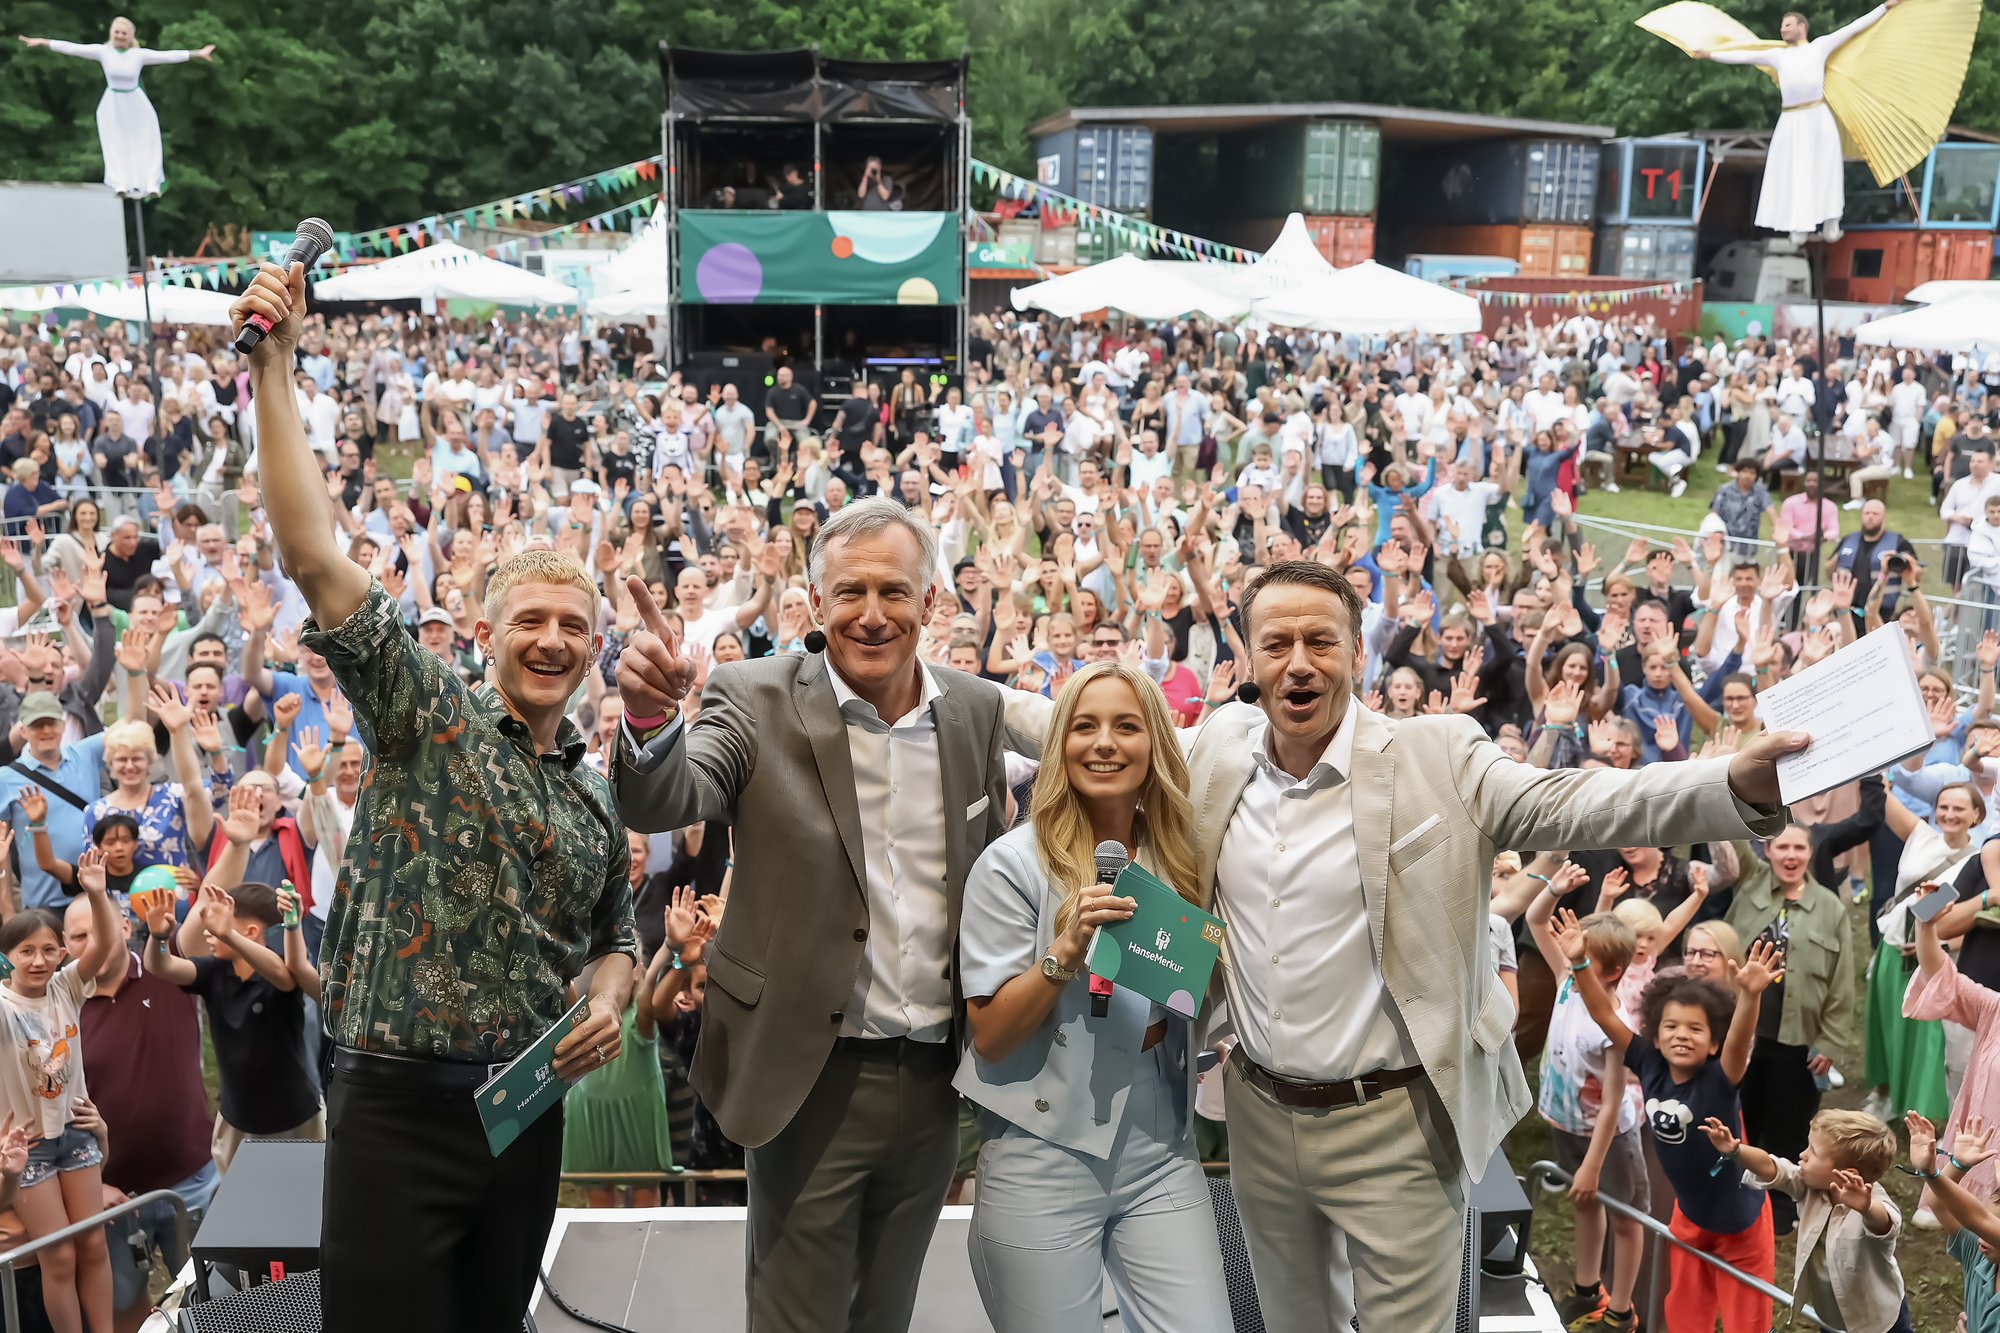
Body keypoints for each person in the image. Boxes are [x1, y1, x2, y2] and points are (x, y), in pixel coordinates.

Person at [986, 559, 1800, 1328]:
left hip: (1398, 1122)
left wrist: (1735, 784)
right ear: (1249, 658)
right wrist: (949, 690)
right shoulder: (1217, 748)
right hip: (1261, 1116)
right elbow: (1077, 724)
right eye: (1276, 644)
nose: (1298, 663)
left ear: (1357, 655)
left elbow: (1583, 802)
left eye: (1320, 642)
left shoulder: (1438, 754)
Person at [229, 259, 637, 1333]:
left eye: (573, 627)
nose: (551, 639)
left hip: (527, 1104)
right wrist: (275, 371)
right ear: (487, 628)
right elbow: (313, 555)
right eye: (530, 619)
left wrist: (603, 999)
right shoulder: (426, 711)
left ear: (595, 649)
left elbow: (617, 937)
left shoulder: (592, 798)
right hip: (396, 1100)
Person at [613, 496, 1019, 1333]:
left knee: (886, 1315)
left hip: (934, 1079)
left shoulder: (975, 712)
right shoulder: (752, 695)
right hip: (807, 1070)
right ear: (817, 597)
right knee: (798, 1319)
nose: (872, 615)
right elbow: (670, 795)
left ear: (931, 603)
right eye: (850, 592)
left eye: (895, 592)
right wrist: (651, 719)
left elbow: (992, 874)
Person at [955, 662, 1232, 1332]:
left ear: (1155, 744)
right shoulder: (1010, 865)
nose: (1104, 742)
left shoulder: (1187, 860)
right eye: (1084, 725)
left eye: (1126, 725)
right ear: (1059, 746)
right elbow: (989, 1035)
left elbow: (1196, 997)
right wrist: (1062, 955)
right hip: (1040, 1156)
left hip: (1161, 1151)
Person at [1555, 908, 1782, 1333]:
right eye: (1672, 1026)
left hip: (1741, 1228)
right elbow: (1606, 1016)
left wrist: (1750, 995)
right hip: (1690, 1220)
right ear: (1654, 1035)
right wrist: (1580, 962)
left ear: (1713, 1042)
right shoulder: (1648, 1061)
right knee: (1683, 1319)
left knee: (1745, 1326)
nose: (1682, 1035)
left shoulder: (1720, 1079)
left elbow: (1737, 1042)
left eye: (1696, 1030)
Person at [0, 848, 124, 1333]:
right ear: (8, 957)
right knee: (60, 1257)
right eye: (26, 951)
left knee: (93, 1245)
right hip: (29, 1148)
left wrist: (96, 892)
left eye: (48, 949)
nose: (38, 960)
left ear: (62, 952)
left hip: (76, 1133)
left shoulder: (67, 987)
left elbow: (106, 943)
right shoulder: (4, 1005)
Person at [1524, 880, 1647, 1333]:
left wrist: (1593, 1165)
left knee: (1624, 1218)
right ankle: (1587, 1288)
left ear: (1611, 972)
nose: (1570, 953)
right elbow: (1537, 919)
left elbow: (1614, 1099)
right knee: (1584, 1205)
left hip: (1609, 1138)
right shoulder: (1565, 982)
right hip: (1568, 1124)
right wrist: (1554, 884)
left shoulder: (1614, 1024)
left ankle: (1622, 1310)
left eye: (1582, 952)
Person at [1685, 3, 1899, 242]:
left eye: (1787, 25)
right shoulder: (1778, 55)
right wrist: (1710, 55)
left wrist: (1883, 7)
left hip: (1817, 115)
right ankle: (1798, 224)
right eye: (1782, 26)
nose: (1782, 30)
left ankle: (1831, 220)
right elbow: (1744, 55)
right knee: (1794, 170)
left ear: (1802, 27)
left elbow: (1853, 28)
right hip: (1791, 119)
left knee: (1826, 166)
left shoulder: (1820, 47)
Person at [1702, 1109, 1910, 1333]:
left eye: (1814, 1151)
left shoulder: (1871, 1203)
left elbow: (1886, 1226)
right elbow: (1776, 1168)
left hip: (1877, 1322)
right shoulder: (1811, 1186)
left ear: (1846, 1173)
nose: (1803, 1155)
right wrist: (1736, 1151)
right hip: (1831, 1315)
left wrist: (1867, 1208)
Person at [16, 19, 217, 197]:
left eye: (124, 33)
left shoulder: (138, 55)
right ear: (112, 34)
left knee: (146, 140)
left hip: (136, 102)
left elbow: (168, 56)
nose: (120, 36)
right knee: (114, 142)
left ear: (130, 37)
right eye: (117, 32)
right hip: (112, 103)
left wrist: (198, 53)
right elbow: (74, 48)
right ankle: (120, 182)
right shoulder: (103, 52)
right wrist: (43, 42)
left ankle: (151, 184)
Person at [1904, 1112, 2000, 1333]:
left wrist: (1931, 1173)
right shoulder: (1980, 1257)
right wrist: (1957, 1164)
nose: (1981, 1237)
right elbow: (1938, 1204)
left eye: (1991, 1231)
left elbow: (1977, 1218)